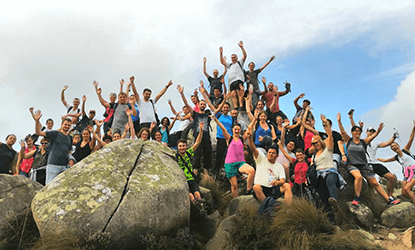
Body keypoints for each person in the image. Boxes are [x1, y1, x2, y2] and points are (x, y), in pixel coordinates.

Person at [337, 113, 399, 206]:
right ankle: (357, 198)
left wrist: (378, 130)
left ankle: (388, 200)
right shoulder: (348, 140)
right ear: (352, 132)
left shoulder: (364, 142)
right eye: (356, 131)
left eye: (359, 131)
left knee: (375, 183)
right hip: (352, 165)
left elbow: (373, 136)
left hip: (364, 165)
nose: (358, 132)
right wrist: (339, 121)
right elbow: (342, 130)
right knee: (358, 177)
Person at [309, 115, 347, 223]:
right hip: (319, 175)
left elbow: (330, 135)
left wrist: (325, 123)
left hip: (330, 171)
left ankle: (334, 200)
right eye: (313, 143)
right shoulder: (315, 155)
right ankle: (331, 221)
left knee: (330, 181)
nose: (314, 145)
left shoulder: (328, 149)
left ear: (320, 141)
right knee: (323, 198)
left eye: (316, 142)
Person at [348, 112, 396, 197]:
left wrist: (394, 138)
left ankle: (390, 195)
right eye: (369, 131)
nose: (371, 132)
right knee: (371, 185)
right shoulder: (361, 141)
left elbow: (387, 143)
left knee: (391, 177)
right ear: (366, 132)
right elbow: (355, 130)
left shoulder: (376, 143)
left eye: (372, 131)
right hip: (365, 164)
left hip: (375, 163)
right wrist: (351, 119)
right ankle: (373, 200)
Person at [211, 116, 255, 198]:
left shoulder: (242, 139)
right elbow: (223, 129)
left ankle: (249, 190)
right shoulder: (229, 138)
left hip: (240, 163)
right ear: (232, 130)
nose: (237, 131)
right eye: (235, 129)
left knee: (251, 171)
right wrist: (216, 120)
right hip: (230, 164)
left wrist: (255, 118)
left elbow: (249, 128)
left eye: (238, 129)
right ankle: (236, 202)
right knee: (234, 186)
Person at [246, 128, 292, 205]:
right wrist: (249, 138)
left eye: (273, 153)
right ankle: (269, 206)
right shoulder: (261, 159)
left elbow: (283, 180)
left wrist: (277, 182)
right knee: (256, 187)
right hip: (262, 188)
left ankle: (288, 209)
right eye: (269, 152)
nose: (270, 154)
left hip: (273, 189)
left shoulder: (279, 166)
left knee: (286, 185)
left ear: (277, 156)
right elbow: (253, 149)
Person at [378, 122, 415, 203]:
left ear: (398, 146)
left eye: (395, 145)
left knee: (407, 189)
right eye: (392, 147)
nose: (394, 147)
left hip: (414, 170)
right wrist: (374, 158)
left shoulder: (405, 150)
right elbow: (385, 160)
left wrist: (414, 128)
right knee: (403, 193)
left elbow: (411, 138)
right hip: (406, 173)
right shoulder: (397, 157)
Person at [178, 84, 212, 172]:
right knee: (196, 155)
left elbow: (210, 104)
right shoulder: (195, 114)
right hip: (198, 137)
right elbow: (186, 104)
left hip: (207, 138)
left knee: (207, 155)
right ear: (198, 105)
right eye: (201, 104)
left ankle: (206, 175)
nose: (203, 105)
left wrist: (203, 94)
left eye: (204, 104)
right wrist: (182, 94)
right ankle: (195, 172)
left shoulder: (208, 116)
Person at [200, 86, 232, 178]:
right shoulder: (218, 115)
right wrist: (203, 94)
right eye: (224, 107)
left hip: (229, 140)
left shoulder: (231, 118)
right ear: (222, 109)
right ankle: (215, 174)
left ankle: (229, 174)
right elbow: (210, 105)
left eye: (227, 108)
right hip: (221, 138)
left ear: (229, 109)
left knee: (229, 158)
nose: (225, 109)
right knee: (219, 157)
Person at [34, 110, 73, 184]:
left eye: (69, 125)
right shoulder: (55, 133)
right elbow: (38, 133)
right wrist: (37, 121)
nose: (67, 126)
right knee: (49, 187)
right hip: (53, 165)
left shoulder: (70, 138)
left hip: (64, 166)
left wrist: (70, 160)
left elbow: (69, 151)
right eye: (65, 124)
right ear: (61, 124)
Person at [176, 122, 204, 203]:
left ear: (186, 146)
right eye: (180, 146)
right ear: (177, 147)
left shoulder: (188, 153)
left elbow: (197, 142)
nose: (182, 148)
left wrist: (201, 130)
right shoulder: (175, 156)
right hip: (183, 179)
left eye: (183, 146)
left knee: (197, 195)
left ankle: (201, 207)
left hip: (191, 178)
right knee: (191, 197)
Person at [220, 41, 247, 110]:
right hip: (232, 81)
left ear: (237, 58)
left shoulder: (239, 62)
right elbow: (222, 62)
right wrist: (221, 53)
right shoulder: (230, 65)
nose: (233, 58)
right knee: (233, 95)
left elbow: (245, 56)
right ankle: (236, 107)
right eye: (232, 57)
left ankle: (241, 106)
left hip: (239, 79)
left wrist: (242, 47)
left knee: (239, 93)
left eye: (234, 57)